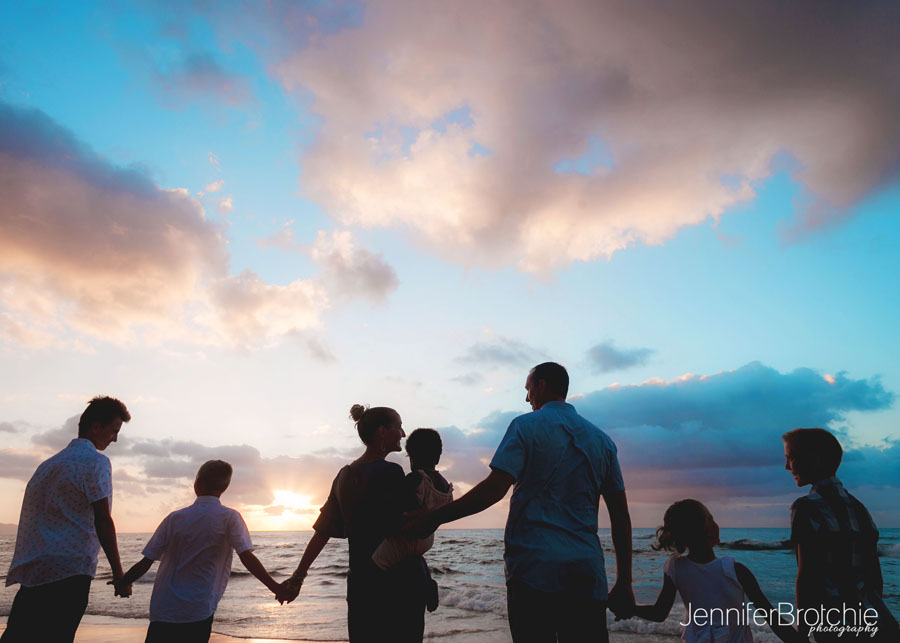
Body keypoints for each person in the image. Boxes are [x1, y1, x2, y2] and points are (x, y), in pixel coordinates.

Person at [406, 362, 634, 643]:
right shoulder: (602, 441)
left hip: (533, 572)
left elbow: (494, 490)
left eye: (528, 389)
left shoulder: (526, 426)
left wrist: (433, 517)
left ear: (542, 385)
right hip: (587, 574)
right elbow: (620, 516)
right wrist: (625, 582)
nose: (527, 398)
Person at [280, 404, 430, 643]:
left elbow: (322, 532)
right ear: (382, 432)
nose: (403, 433)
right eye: (399, 427)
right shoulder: (391, 472)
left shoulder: (344, 475)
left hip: (361, 583)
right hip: (398, 582)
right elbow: (411, 525)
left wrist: (298, 576)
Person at [2, 396, 131, 643]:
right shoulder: (96, 462)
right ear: (96, 427)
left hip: (35, 569)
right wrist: (119, 574)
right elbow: (103, 519)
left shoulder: (47, 466)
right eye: (114, 431)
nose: (115, 439)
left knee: (19, 636)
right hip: (70, 570)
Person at [113, 460, 280, 643]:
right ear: (224, 487)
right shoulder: (230, 517)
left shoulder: (174, 518)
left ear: (197, 484)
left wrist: (124, 581)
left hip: (164, 608)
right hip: (198, 610)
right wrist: (276, 588)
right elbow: (247, 557)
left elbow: (146, 561)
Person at [627, 499, 808, 643]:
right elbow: (772, 618)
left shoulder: (675, 568)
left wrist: (630, 609)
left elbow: (659, 613)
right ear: (706, 530)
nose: (715, 523)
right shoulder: (734, 570)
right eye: (711, 519)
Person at [783, 428, 899, 642]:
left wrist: (802, 632)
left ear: (814, 459)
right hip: (879, 622)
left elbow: (807, 576)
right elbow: (875, 578)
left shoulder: (806, 508)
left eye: (791, 458)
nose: (787, 467)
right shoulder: (859, 508)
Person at [372, 428, 453, 612]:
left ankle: (378, 598)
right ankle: (428, 582)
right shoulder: (445, 485)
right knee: (418, 558)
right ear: (438, 457)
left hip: (407, 539)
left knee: (377, 564)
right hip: (427, 540)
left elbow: (400, 508)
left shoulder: (416, 479)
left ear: (412, 458)